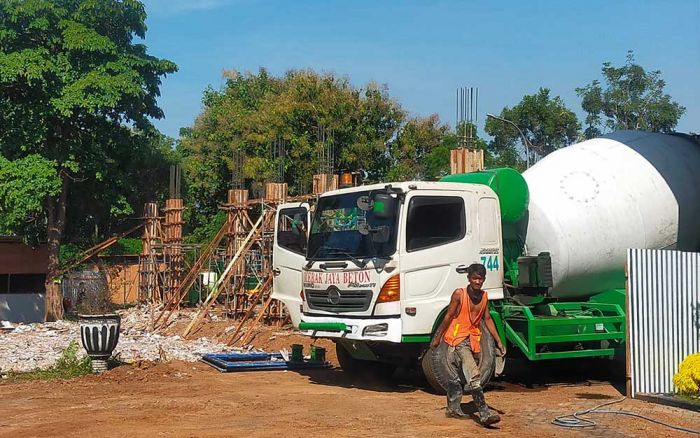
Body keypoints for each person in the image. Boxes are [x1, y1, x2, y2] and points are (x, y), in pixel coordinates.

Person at [430, 263, 505, 426]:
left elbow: (487, 319)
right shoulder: (459, 294)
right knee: (473, 373)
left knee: (460, 375)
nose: (478, 282)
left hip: (473, 339)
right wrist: (437, 338)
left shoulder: (484, 297)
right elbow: (449, 316)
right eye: (475, 278)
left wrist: (499, 341)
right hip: (458, 338)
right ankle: (484, 414)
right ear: (469, 279)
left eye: (481, 279)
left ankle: (452, 408)